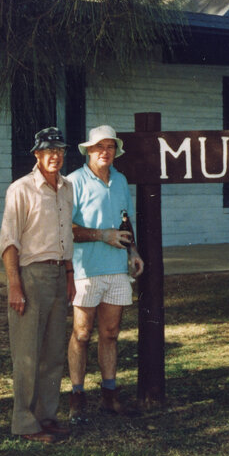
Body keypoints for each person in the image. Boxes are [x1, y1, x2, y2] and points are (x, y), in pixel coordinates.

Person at [0, 127, 75, 443]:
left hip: (59, 277)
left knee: (54, 352)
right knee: (27, 352)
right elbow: (9, 242)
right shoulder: (21, 189)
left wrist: (70, 275)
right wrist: (14, 286)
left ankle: (47, 415)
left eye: (59, 150)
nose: (54, 156)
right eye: (48, 151)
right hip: (31, 276)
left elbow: (66, 233)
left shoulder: (67, 187)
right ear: (37, 155)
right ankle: (25, 422)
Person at [66, 125, 144, 424]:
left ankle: (110, 396)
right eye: (99, 147)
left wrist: (132, 252)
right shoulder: (73, 182)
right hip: (86, 270)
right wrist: (102, 235)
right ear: (88, 150)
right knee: (82, 334)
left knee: (110, 334)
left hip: (116, 270)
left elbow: (126, 222)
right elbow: (66, 229)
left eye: (110, 147)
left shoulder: (121, 181)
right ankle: (76, 397)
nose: (105, 152)